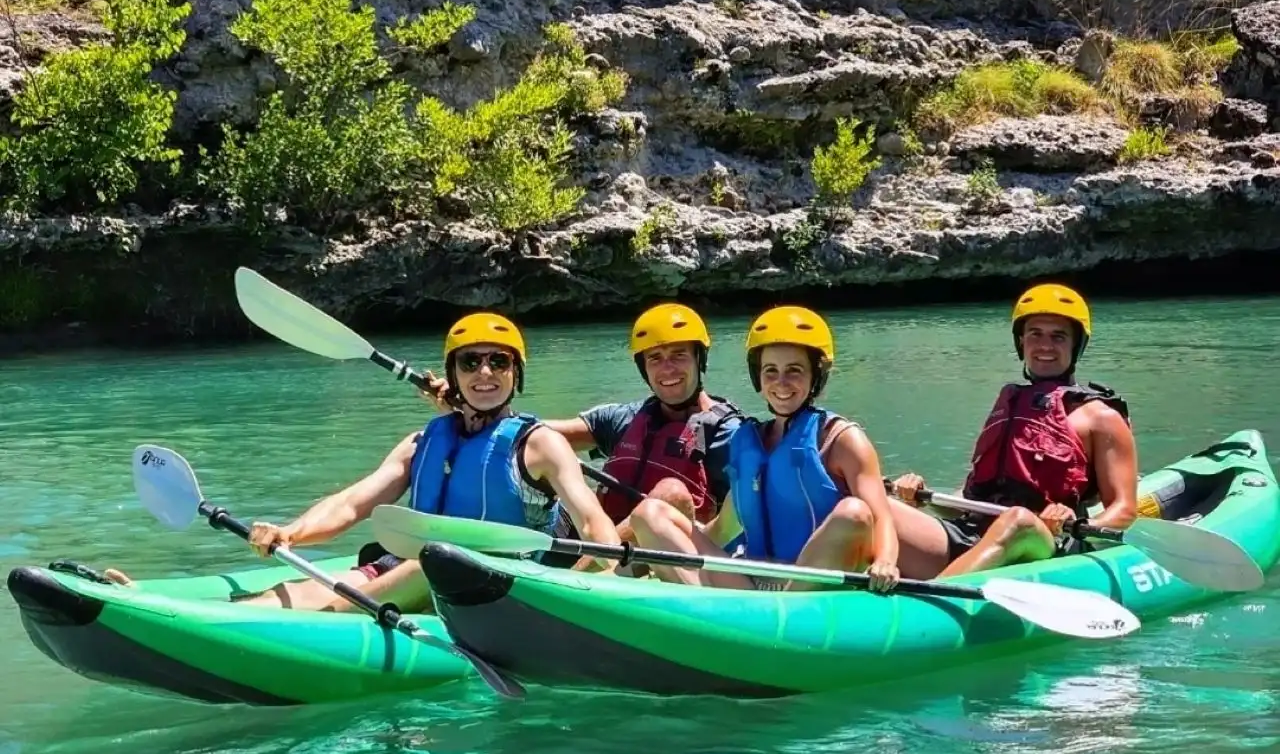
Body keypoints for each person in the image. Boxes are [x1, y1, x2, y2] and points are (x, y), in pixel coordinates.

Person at [105, 313, 621, 610]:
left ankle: (331, 616)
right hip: (406, 571)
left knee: (426, 564)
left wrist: (577, 593)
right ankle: (162, 609)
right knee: (294, 592)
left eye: (499, 361)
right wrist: (290, 532)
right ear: (453, 373)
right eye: (470, 361)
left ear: (515, 374)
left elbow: (595, 527)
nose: (484, 373)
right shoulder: (422, 442)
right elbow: (353, 504)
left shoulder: (539, 444)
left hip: (494, 586)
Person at [422, 303, 745, 567]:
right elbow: (523, 436)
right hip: (595, 538)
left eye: (679, 355)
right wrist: (470, 403)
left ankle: (578, 584)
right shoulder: (623, 418)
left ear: (699, 359)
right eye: (655, 359)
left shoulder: (728, 433)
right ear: (642, 367)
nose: (667, 369)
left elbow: (741, 517)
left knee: (670, 495)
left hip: (656, 555)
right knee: (534, 478)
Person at [624, 305, 901, 592]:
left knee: (854, 512)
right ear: (758, 376)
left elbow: (881, 518)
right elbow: (723, 529)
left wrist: (885, 561)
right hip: (752, 584)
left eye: (794, 370)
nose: (781, 383)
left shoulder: (841, 439)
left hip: (809, 588)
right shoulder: (747, 442)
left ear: (816, 375)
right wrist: (666, 547)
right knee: (649, 514)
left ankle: (782, 613)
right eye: (771, 371)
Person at [888, 283, 1138, 580]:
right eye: (1035, 334)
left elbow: (1124, 510)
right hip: (976, 537)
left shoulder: (1101, 417)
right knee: (878, 505)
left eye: (1058, 336)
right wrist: (924, 498)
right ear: (1021, 342)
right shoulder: (1010, 405)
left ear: (1076, 345)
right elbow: (971, 500)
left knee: (1018, 521)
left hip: (1047, 544)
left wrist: (1074, 522)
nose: (1045, 346)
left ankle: (931, 597)